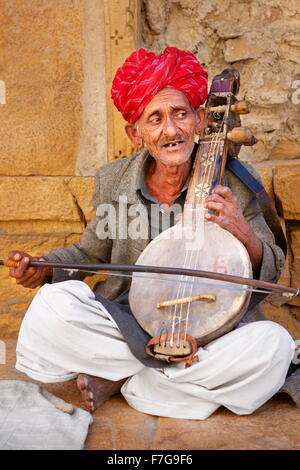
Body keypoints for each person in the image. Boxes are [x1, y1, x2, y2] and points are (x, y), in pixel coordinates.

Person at [8, 47, 298, 419]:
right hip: (128, 321)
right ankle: (166, 376)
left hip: (210, 331)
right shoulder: (114, 180)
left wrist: (242, 230)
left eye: (181, 114)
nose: (171, 130)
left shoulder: (234, 183)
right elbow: (88, 254)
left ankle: (125, 378)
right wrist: (44, 267)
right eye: (155, 119)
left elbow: (271, 270)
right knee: (54, 307)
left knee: (272, 344)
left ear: (199, 119)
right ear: (136, 132)